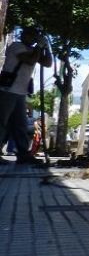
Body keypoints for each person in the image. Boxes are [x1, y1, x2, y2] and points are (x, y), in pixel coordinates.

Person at [0, 27, 52, 165]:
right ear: (24, 35)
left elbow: (47, 63)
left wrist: (46, 47)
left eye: (33, 36)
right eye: (29, 35)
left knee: (20, 125)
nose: (31, 38)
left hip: (21, 92)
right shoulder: (15, 46)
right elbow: (30, 60)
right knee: (2, 122)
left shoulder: (34, 50)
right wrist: (39, 47)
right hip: (8, 90)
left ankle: (23, 154)